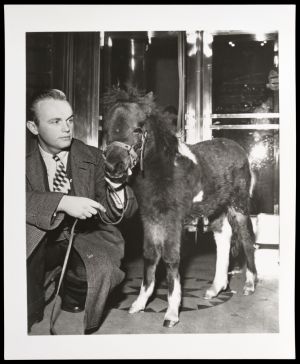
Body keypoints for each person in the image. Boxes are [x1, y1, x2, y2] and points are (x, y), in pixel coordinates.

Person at [26, 89, 138, 334]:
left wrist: (117, 186)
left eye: (69, 120)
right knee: (26, 311)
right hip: (37, 240)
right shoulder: (16, 157)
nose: (66, 128)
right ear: (33, 128)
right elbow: (14, 198)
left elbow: (115, 214)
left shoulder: (93, 157)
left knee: (99, 273)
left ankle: (72, 287)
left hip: (83, 239)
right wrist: (63, 202)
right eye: (55, 121)